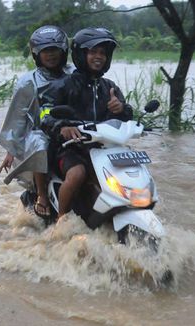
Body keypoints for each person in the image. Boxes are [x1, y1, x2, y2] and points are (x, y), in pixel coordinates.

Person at [45, 27, 133, 219]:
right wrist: (63, 127)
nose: (98, 57)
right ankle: (61, 218)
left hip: (104, 148)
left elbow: (127, 116)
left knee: (127, 176)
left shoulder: (109, 87)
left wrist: (122, 109)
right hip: (71, 148)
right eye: (93, 51)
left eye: (103, 53)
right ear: (81, 54)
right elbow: (45, 115)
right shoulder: (64, 85)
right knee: (77, 174)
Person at [0, 25, 70, 219]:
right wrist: (10, 150)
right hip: (41, 131)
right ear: (36, 54)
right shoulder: (28, 81)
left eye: (54, 50)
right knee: (40, 144)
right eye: (45, 51)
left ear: (63, 51)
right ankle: (42, 195)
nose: (51, 55)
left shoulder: (75, 75)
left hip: (72, 127)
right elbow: (17, 116)